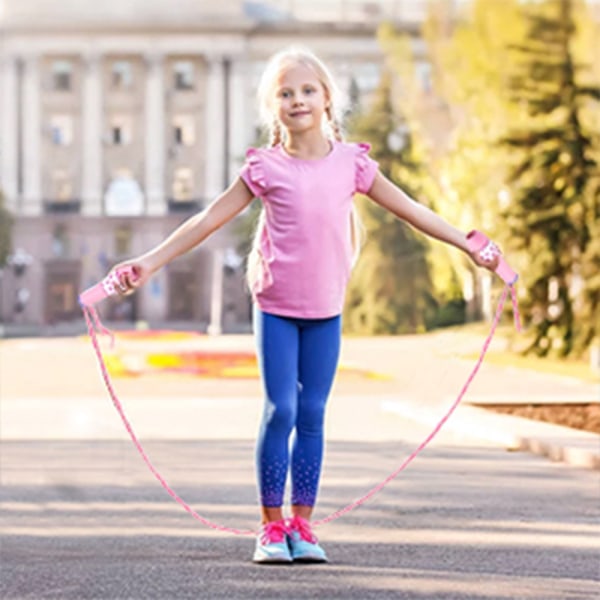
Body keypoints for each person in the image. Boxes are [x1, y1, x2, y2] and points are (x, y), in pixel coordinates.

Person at [109, 46, 498, 564]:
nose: (297, 100)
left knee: (313, 413)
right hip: (275, 305)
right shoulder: (264, 168)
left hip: (326, 310)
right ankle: (271, 530)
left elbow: (411, 210)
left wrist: (467, 243)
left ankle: (303, 526)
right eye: (285, 93)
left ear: (327, 100)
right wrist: (150, 262)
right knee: (281, 410)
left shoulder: (352, 166)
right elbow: (206, 221)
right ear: (274, 107)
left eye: (307, 90)